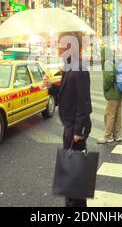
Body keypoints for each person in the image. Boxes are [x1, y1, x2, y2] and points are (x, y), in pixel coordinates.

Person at [43, 32, 92, 207]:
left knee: (74, 174)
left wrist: (78, 132)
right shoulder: (70, 67)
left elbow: (83, 103)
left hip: (74, 129)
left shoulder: (78, 69)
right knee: (71, 173)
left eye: (61, 46)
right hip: (70, 126)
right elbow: (66, 94)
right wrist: (51, 87)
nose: (58, 49)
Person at [97, 47, 122, 144]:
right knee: (117, 114)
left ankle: (108, 136)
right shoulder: (115, 61)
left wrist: (106, 89)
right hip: (120, 92)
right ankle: (117, 135)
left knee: (109, 114)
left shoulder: (107, 62)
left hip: (113, 93)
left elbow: (109, 78)